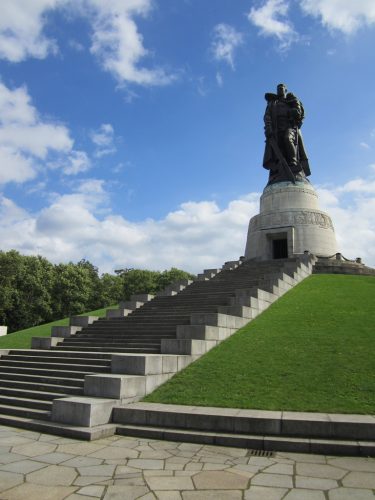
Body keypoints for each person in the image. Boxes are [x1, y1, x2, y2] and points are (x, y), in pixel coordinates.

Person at [263, 83, 311, 184]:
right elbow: (267, 116)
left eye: (282, 88)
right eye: (278, 88)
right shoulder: (272, 103)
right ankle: (279, 171)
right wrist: (268, 127)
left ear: (285, 90)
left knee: (288, 139)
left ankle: (293, 163)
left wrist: (294, 112)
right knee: (278, 150)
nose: (280, 89)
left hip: (290, 127)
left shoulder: (291, 101)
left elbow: (299, 113)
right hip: (276, 129)